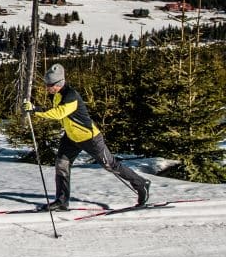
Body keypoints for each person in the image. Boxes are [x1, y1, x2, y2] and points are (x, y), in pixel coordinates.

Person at [23, 64, 150, 211]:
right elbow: (56, 111)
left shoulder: (71, 96)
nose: (47, 87)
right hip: (71, 137)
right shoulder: (58, 95)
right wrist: (35, 109)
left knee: (110, 165)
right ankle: (62, 201)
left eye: (49, 85)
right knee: (62, 164)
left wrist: (35, 110)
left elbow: (58, 113)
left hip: (90, 138)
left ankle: (141, 184)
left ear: (58, 83)